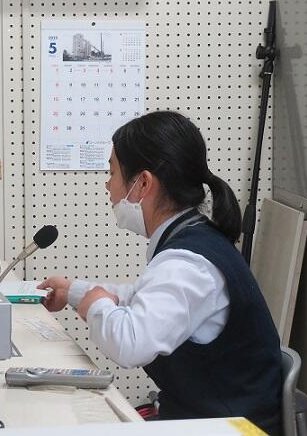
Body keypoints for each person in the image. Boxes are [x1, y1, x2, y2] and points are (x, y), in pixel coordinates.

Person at [38, 111, 282, 434]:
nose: (108, 185)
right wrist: (74, 292)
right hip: (205, 417)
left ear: (143, 183)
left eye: (112, 172)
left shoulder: (188, 264)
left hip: (232, 428)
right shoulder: (191, 239)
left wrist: (96, 304)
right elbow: (143, 299)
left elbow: (130, 343)